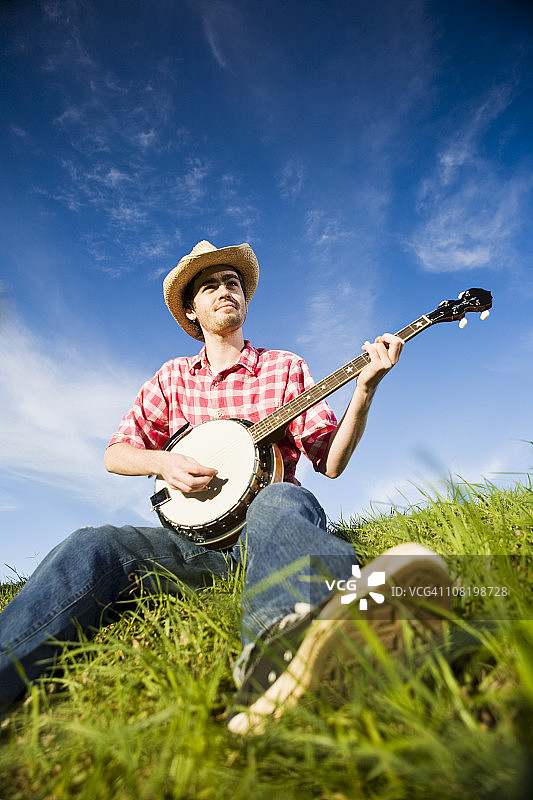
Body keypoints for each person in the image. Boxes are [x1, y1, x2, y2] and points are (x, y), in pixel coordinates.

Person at [0, 240, 451, 734]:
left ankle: (284, 649)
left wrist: (363, 390)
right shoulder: (172, 378)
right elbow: (116, 453)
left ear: (244, 299)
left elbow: (331, 462)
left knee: (283, 496)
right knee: (94, 545)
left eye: (232, 282)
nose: (224, 290)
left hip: (268, 531)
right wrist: (163, 461)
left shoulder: (284, 367)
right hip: (188, 546)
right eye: (210, 285)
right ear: (192, 310)